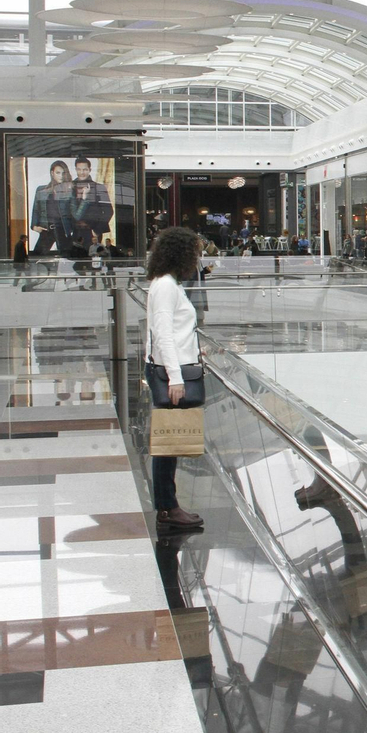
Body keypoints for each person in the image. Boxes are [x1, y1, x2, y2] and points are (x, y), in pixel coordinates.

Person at [146, 227, 206, 531]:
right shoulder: (166, 286)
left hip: (176, 364)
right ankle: (167, 508)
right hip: (172, 370)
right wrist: (175, 377)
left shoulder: (165, 283)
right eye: (195, 251)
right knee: (167, 443)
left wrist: (194, 348)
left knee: (168, 442)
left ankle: (168, 506)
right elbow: (163, 334)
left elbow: (173, 332)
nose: (197, 258)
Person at [29, 159, 70, 254]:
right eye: (58, 173)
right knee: (37, 257)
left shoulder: (69, 191)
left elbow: (72, 211)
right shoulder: (41, 190)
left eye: (63, 173)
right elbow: (36, 209)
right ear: (52, 173)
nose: (61, 176)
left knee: (67, 258)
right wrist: (34, 226)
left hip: (62, 229)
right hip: (47, 229)